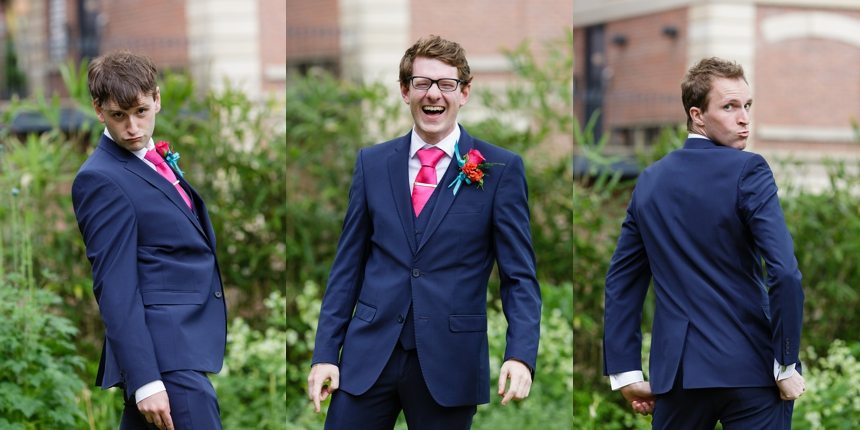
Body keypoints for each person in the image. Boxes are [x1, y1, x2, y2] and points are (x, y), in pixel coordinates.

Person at [307, 35, 542, 429]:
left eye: (446, 84)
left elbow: (519, 277)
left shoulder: (501, 170)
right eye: (422, 83)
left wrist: (520, 355)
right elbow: (347, 268)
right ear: (405, 91)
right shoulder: (372, 164)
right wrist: (326, 353)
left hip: (450, 362)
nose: (434, 94)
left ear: (464, 93)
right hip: (369, 356)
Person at [603, 57, 806, 429]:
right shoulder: (749, 169)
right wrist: (786, 363)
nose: (744, 118)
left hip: (677, 376)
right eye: (729, 107)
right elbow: (785, 273)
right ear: (697, 115)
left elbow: (622, 281)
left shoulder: (650, 180)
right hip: (752, 369)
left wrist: (626, 373)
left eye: (747, 105)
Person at [72, 51, 226, 430]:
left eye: (141, 111)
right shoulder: (100, 179)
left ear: (157, 99)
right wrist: (145, 380)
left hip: (180, 344)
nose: (132, 128)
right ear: (98, 110)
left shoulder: (149, 159)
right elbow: (115, 286)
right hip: (164, 356)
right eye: (118, 115)